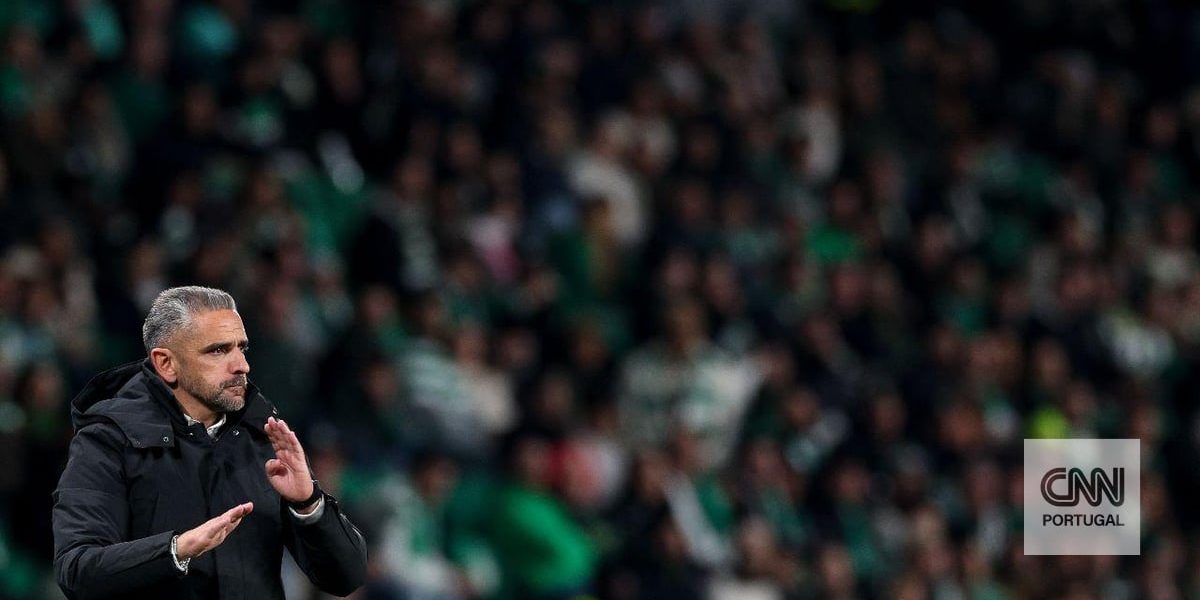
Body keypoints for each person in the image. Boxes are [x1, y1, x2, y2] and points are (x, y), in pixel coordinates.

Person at [51, 286, 367, 599]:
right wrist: (175, 550)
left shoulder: (264, 436)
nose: (241, 365)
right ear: (166, 364)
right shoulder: (107, 440)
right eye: (218, 350)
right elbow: (77, 570)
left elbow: (346, 579)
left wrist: (309, 504)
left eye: (241, 348)